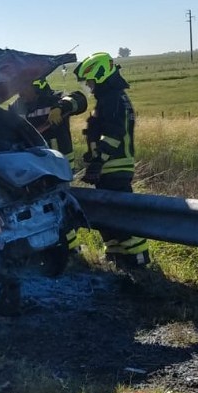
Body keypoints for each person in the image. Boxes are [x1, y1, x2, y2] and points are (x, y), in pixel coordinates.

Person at [75, 52, 150, 267]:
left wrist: (98, 161)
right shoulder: (111, 98)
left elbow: (113, 135)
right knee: (109, 219)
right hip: (109, 167)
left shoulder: (113, 99)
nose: (88, 86)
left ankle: (138, 261)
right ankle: (118, 259)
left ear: (100, 75)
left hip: (114, 167)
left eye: (89, 81)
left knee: (120, 216)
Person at [9, 77, 88, 163]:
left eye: (23, 88)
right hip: (33, 164)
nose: (19, 93)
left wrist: (60, 108)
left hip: (60, 163)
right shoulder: (16, 106)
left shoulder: (55, 99)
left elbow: (80, 100)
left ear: (36, 86)